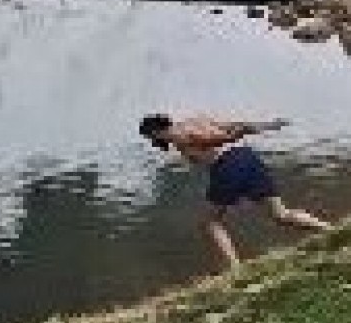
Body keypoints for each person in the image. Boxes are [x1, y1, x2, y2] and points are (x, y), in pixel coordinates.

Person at [138, 113, 333, 269]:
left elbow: (220, 138)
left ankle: (235, 270)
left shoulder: (178, 136)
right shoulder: (196, 119)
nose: (152, 142)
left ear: (156, 132)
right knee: (281, 214)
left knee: (210, 223)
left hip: (228, 165)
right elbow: (231, 124)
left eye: (150, 138)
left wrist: (241, 133)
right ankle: (331, 231)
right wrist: (266, 125)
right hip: (247, 157)